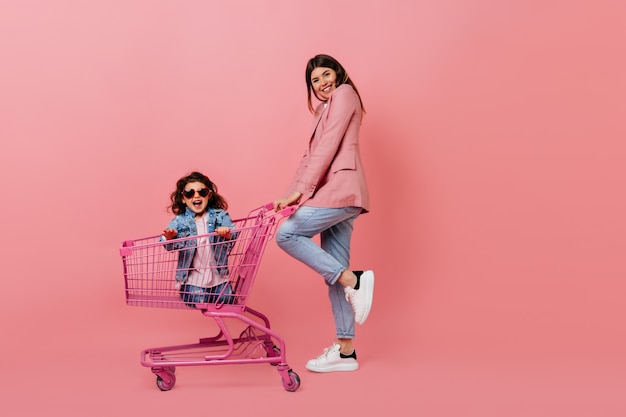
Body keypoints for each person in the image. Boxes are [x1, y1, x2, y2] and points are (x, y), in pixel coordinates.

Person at [273, 54, 374, 373]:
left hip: (340, 189)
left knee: (287, 234)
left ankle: (354, 280)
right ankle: (345, 352)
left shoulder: (345, 94)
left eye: (326, 74)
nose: (322, 83)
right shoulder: (324, 108)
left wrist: (301, 192)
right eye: (315, 80)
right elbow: (311, 155)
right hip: (331, 193)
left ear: (339, 73)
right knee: (334, 270)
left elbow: (328, 146)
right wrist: (293, 193)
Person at [161, 171, 236, 307]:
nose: (196, 196)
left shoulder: (220, 216)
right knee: (199, 299)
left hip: (218, 277)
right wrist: (170, 237)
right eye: (190, 193)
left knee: (229, 299)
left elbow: (233, 233)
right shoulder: (179, 221)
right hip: (193, 279)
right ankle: (189, 291)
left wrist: (227, 233)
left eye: (202, 192)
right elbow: (166, 243)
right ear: (183, 198)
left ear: (209, 195)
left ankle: (217, 292)